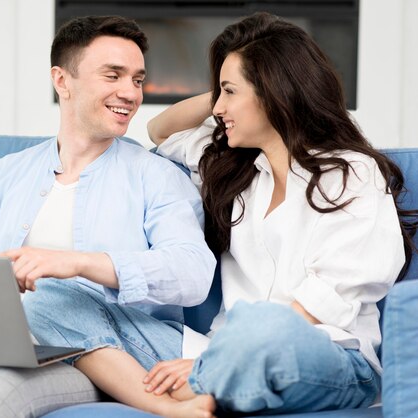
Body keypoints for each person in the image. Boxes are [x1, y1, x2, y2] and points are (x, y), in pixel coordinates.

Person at [28, 11, 418, 418]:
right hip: (216, 350)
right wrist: (222, 88)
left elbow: (331, 297)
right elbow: (160, 130)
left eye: (230, 93)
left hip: (326, 355)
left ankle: (201, 383)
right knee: (53, 299)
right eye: (219, 93)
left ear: (273, 93)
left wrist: (212, 363)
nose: (218, 107)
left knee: (261, 326)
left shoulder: (350, 171)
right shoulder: (235, 169)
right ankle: (196, 395)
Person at [0, 15, 216, 418]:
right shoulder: (4, 175)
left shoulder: (156, 176)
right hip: (2, 341)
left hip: (106, 353)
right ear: (62, 81)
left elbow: (193, 274)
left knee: (0, 387)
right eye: (113, 75)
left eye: (137, 79)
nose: (130, 93)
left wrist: (76, 264)